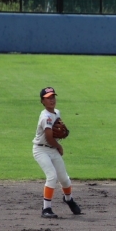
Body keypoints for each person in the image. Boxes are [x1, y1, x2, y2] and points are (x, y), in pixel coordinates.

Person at [32, 87, 82, 218]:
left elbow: (56, 131)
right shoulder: (45, 117)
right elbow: (49, 137)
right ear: (42, 101)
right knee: (52, 176)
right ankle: (46, 209)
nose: (52, 100)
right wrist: (59, 146)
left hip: (52, 149)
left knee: (64, 179)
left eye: (53, 97)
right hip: (41, 150)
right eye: (48, 98)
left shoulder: (57, 112)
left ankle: (69, 199)